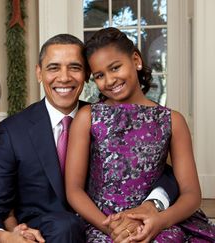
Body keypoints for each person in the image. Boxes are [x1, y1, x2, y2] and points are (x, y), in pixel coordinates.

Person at [0, 33, 179, 243]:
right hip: (48, 235)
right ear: (39, 73)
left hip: (109, 226)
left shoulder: (106, 118)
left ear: (86, 74)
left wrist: (154, 202)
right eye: (54, 68)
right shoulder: (13, 131)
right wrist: (7, 235)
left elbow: (161, 171)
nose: (64, 77)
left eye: (74, 67)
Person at [66, 27, 215, 242]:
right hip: (103, 223)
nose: (109, 80)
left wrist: (159, 221)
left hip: (157, 221)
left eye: (115, 67)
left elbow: (191, 194)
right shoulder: (87, 117)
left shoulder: (172, 120)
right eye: (99, 75)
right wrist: (112, 229)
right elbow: (74, 190)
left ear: (135, 60)